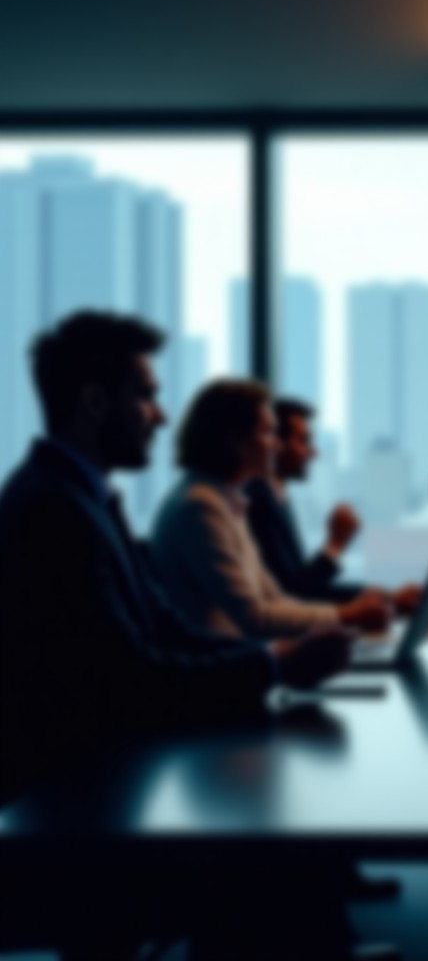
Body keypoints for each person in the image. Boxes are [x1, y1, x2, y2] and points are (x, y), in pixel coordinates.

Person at [0, 313, 364, 958]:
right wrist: (275, 669)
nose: (161, 417)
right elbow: (131, 683)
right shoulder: (54, 510)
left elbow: (165, 628)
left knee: (287, 839)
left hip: (104, 784)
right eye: (146, 396)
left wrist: (276, 659)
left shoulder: (82, 498)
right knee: (279, 854)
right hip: (79, 823)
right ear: (93, 401)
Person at [150, 381, 392, 641]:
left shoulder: (226, 499)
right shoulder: (200, 506)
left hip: (240, 660)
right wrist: (347, 615)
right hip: (220, 672)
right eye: (267, 433)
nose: (276, 445)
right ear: (236, 441)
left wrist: (351, 611)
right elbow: (257, 617)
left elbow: (274, 598)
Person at [246, 397, 420, 614]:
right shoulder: (256, 502)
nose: (313, 453)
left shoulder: (278, 497)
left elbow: (307, 587)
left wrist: (387, 599)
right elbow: (293, 596)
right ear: (276, 443)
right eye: (304, 441)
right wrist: (336, 544)